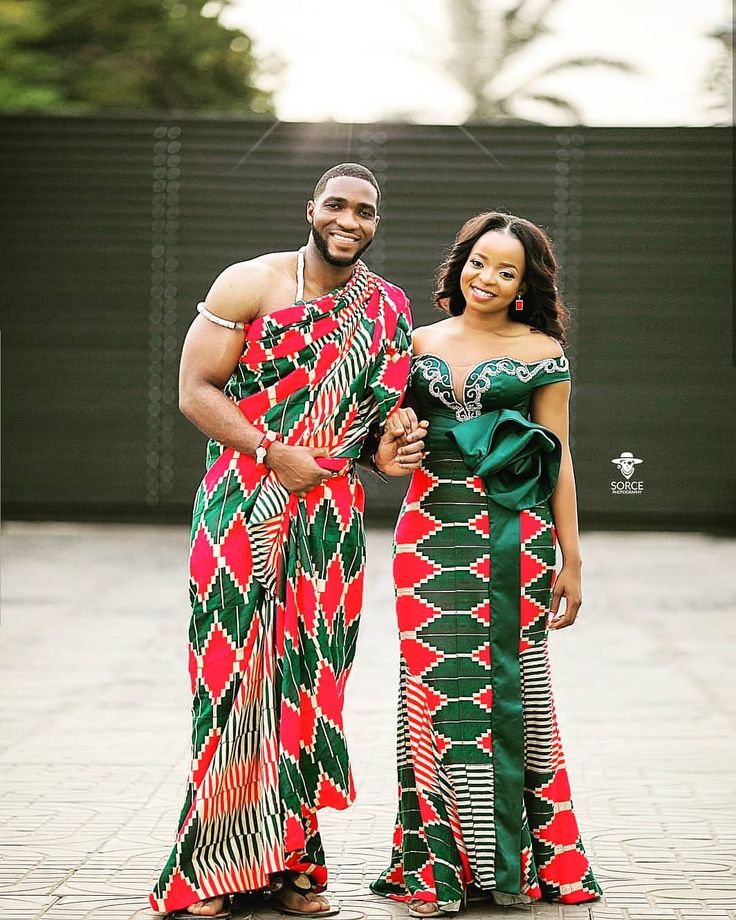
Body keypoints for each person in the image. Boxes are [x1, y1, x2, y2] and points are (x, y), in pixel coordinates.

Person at [149, 163, 427, 920]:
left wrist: (388, 450)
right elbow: (195, 390)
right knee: (232, 675)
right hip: (243, 502)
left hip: (329, 517)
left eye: (365, 211)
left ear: (376, 222)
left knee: (308, 683)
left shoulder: (389, 309)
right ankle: (213, 869)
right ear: (311, 208)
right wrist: (272, 450)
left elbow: (374, 427)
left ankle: (295, 866)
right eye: (336, 205)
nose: (350, 220)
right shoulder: (250, 282)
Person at [370, 211, 603, 914]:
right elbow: (381, 439)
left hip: (514, 536)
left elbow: (556, 459)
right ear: (460, 263)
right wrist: (395, 431)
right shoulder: (412, 344)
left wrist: (573, 558)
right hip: (427, 536)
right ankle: (434, 867)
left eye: (507, 270)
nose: (488, 278)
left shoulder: (543, 353)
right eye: (479, 262)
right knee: (433, 692)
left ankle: (514, 862)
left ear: (526, 285)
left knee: (516, 692)